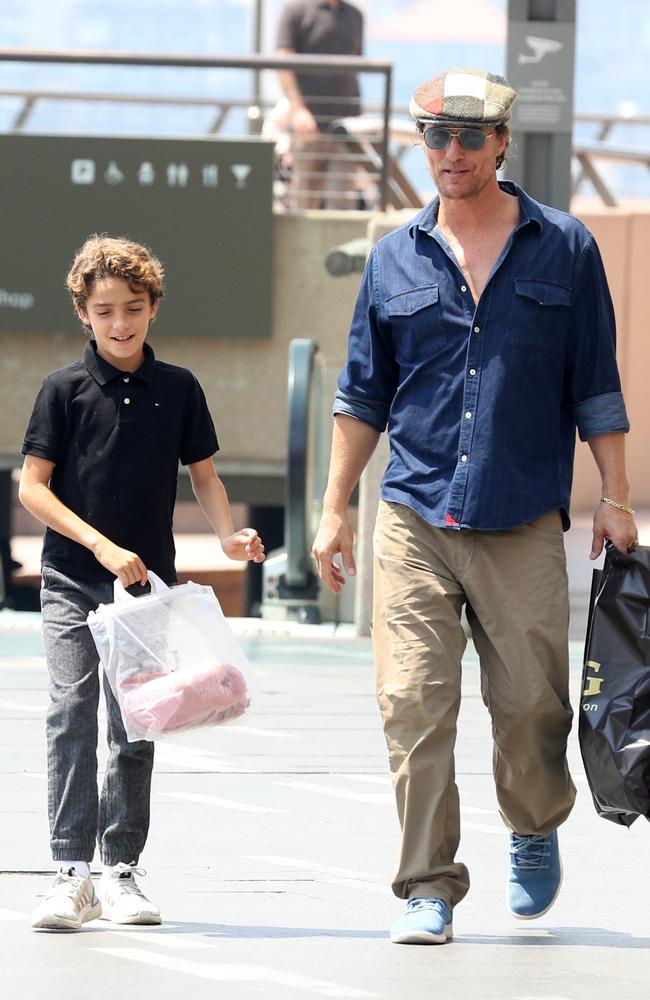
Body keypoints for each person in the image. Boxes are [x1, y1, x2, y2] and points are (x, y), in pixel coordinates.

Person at [312, 67, 638, 945]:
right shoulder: (392, 256)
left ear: (501, 141)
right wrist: (336, 507)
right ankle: (428, 884)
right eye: (433, 137)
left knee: (532, 703)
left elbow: (596, 386)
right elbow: (360, 395)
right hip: (414, 515)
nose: (449, 154)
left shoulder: (564, 247)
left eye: (466, 138)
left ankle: (533, 826)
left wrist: (615, 495)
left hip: (522, 515)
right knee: (412, 702)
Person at [20, 235, 265, 931]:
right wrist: (99, 546)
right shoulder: (62, 391)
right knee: (71, 714)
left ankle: (120, 871)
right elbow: (33, 489)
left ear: (154, 306)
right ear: (83, 313)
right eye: (104, 311)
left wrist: (226, 536)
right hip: (72, 579)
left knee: (136, 724)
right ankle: (71, 874)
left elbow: (205, 477)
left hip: (146, 590)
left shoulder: (180, 389)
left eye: (132, 308)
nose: (119, 323)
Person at [275, 0, 364, 209]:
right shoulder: (295, 10)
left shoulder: (355, 15)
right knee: (305, 198)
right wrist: (297, 109)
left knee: (342, 198)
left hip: (347, 125)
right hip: (309, 124)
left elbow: (356, 64)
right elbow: (283, 64)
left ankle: (340, 243)